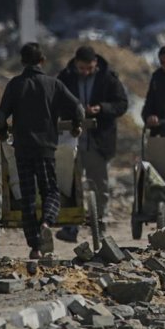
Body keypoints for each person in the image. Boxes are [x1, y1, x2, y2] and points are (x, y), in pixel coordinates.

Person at [0, 43, 84, 259]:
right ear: (42, 60)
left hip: (23, 149)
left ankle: (34, 247)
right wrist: (75, 124)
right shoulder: (53, 84)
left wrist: (2, 132)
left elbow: (0, 115)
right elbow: (78, 109)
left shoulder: (15, 85)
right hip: (45, 148)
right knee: (50, 191)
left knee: (27, 198)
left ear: (22, 61)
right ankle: (46, 222)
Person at [54, 45, 129, 243]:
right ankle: (71, 226)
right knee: (71, 184)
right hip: (71, 140)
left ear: (95, 63)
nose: (85, 72)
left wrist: (102, 108)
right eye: (82, 68)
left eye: (89, 68)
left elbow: (121, 104)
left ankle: (100, 223)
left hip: (98, 141)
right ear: (76, 64)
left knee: (99, 184)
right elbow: (55, 101)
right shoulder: (66, 77)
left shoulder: (108, 78)